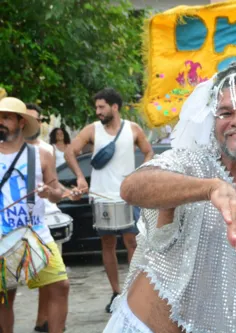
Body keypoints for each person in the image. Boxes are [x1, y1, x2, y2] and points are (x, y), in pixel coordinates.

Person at [103, 62, 236, 332]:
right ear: (214, 124)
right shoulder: (192, 164)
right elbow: (132, 187)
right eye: (225, 113)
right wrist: (210, 188)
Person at [65, 88, 153, 313]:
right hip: (101, 195)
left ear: (115, 107)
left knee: (132, 242)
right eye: (96, 107)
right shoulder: (92, 130)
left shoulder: (133, 129)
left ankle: (133, 291)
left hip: (127, 195)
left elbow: (148, 151)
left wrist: (141, 173)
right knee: (108, 244)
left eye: (101, 107)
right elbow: (70, 152)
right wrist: (79, 177)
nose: (98, 111)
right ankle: (116, 291)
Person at [0, 97, 74, 333]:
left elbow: (55, 194)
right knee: (4, 296)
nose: (0, 122)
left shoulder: (41, 154)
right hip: (1, 236)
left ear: (21, 122)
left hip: (37, 234)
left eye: (6, 117)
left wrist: (50, 191)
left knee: (60, 285)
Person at [25, 104, 72, 332]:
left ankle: (42, 321)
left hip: (39, 227)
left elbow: (54, 187)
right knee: (7, 293)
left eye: (37, 119)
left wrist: (64, 192)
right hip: (9, 229)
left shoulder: (45, 150)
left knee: (57, 284)